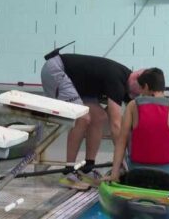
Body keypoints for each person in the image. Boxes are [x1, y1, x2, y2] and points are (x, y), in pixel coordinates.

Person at [41, 53, 144, 189]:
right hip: (57, 70)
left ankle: (88, 169)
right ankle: (68, 172)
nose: (138, 96)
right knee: (82, 118)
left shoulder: (129, 84)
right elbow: (116, 125)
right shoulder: (117, 80)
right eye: (139, 92)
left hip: (79, 84)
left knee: (99, 117)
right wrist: (123, 160)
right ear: (135, 77)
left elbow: (132, 123)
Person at [104, 68, 169, 186]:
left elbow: (122, 141)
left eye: (141, 88)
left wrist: (115, 174)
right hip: (167, 176)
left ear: (146, 86)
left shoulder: (132, 106)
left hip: (136, 174)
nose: (140, 92)